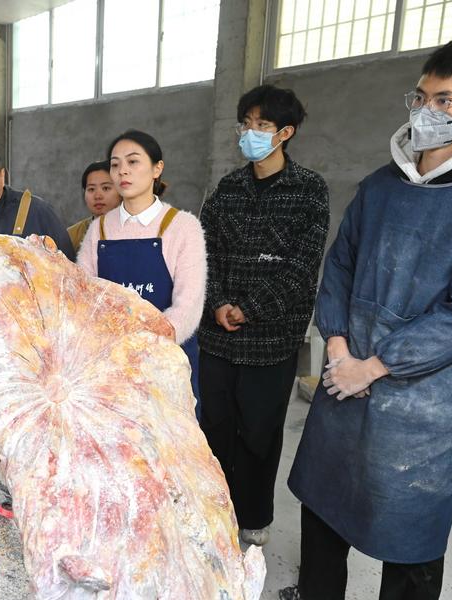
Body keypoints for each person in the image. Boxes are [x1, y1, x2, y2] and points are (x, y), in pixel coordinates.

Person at [281, 37, 452, 600]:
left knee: (410, 531)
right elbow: (338, 267)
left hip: (423, 404)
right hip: (345, 378)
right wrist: (338, 348)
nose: (426, 113)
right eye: (420, 97)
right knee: (324, 506)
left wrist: (378, 365)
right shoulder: (381, 185)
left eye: (445, 100)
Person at [197, 85, 329, 548]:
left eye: (262, 126)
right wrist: (216, 302)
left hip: (271, 340)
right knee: (214, 427)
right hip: (218, 337)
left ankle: (253, 517)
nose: (250, 134)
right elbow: (204, 254)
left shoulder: (309, 190)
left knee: (259, 433)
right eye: (246, 124)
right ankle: (212, 511)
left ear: (285, 133)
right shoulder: (228, 189)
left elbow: (302, 267)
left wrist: (249, 308)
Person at [77, 129, 206, 415]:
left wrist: (144, 348)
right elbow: (82, 296)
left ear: (157, 169)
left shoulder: (183, 226)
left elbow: (188, 306)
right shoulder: (99, 229)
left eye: (133, 162)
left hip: (166, 364)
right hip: (110, 365)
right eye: (115, 164)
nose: (123, 170)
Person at [67, 160, 122, 253]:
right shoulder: (71, 235)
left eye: (106, 188)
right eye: (91, 189)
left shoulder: (139, 229)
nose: (98, 196)